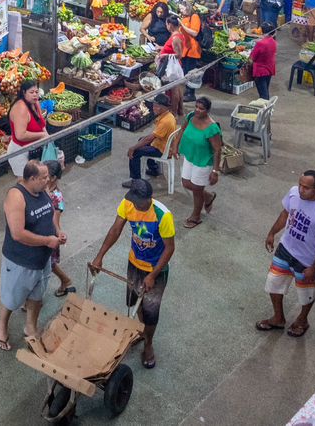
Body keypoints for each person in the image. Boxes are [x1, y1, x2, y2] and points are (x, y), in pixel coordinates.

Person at [89, 179, 175, 369]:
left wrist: (153, 275)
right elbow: (116, 229)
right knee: (136, 301)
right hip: (134, 262)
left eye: (138, 201)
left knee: (151, 310)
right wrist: (99, 256)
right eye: (133, 200)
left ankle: (149, 344)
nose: (134, 204)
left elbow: (169, 249)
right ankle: (141, 329)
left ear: (148, 199)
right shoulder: (127, 203)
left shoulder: (163, 215)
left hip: (155, 269)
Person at [256, 169, 315, 338]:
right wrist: (272, 233)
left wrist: (314, 268)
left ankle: (302, 320)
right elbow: (285, 214)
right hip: (285, 249)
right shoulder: (293, 193)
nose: (301, 189)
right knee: (273, 284)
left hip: (305, 261)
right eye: (300, 185)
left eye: (306, 188)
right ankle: (278, 318)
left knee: (306, 294)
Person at [0, 160, 62, 351]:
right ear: (31, 178)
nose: (48, 180)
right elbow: (17, 233)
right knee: (11, 298)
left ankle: (30, 326)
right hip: (20, 260)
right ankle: (2, 326)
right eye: (43, 178)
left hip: (42, 260)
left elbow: (50, 214)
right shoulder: (16, 197)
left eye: (47, 176)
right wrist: (46, 241)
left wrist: (58, 232)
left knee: (36, 296)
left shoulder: (42, 190)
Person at [178, 96, 223, 227]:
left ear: (207, 110)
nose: (197, 110)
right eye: (196, 107)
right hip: (190, 156)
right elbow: (182, 129)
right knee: (186, 183)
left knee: (197, 190)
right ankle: (208, 197)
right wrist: (175, 146)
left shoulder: (212, 128)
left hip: (203, 162)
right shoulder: (191, 116)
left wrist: (215, 171)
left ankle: (196, 216)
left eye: (201, 109)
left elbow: (217, 150)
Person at [8, 80, 56, 175]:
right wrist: (42, 135)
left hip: (34, 149)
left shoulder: (35, 103)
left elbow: (41, 123)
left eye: (36, 92)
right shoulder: (20, 108)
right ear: (23, 93)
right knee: (25, 182)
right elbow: (20, 135)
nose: (35, 95)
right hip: (20, 152)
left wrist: (46, 136)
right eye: (31, 92)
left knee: (38, 179)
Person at [44, 160, 77, 296]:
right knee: (47, 264)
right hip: (41, 232)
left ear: (53, 178)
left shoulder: (57, 197)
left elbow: (55, 221)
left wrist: (58, 235)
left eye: (45, 174)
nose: (42, 176)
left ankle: (65, 280)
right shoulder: (42, 188)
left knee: (47, 264)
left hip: (48, 235)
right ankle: (65, 280)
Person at [128, 96, 177, 181]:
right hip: (163, 144)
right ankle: (154, 169)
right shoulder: (168, 115)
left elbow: (150, 139)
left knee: (135, 152)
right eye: (154, 106)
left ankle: (136, 181)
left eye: (156, 106)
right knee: (141, 140)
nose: (154, 108)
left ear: (163, 107)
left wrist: (133, 148)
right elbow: (151, 137)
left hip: (161, 149)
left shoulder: (165, 122)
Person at [249, 26, 277, 100]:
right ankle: (267, 108)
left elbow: (252, 58)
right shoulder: (273, 42)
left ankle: (265, 109)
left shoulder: (260, 44)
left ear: (262, 31)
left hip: (260, 71)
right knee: (265, 90)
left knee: (263, 95)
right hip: (270, 69)